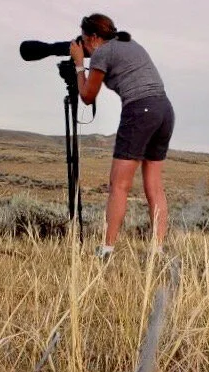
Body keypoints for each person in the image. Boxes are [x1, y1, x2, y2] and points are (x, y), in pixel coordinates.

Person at [69, 13, 175, 259]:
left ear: (94, 38)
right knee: (155, 186)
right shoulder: (129, 43)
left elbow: (86, 95)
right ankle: (157, 250)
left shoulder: (103, 53)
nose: (84, 47)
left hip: (140, 110)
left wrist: (78, 64)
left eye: (84, 41)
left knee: (119, 185)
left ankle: (107, 250)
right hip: (164, 109)